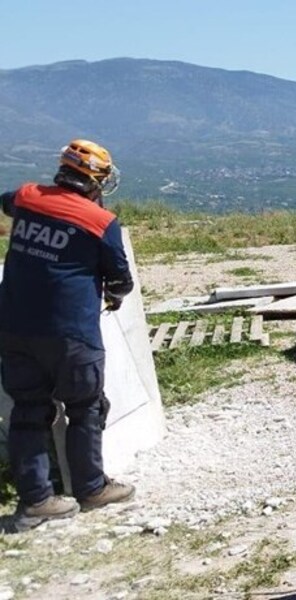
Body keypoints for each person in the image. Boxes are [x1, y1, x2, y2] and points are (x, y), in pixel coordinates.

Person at [1, 139, 136, 530]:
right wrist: (112, 292)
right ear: (96, 180)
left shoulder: (26, 197)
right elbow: (121, 279)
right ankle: (91, 487)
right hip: (71, 330)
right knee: (86, 407)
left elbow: (6, 200)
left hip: (14, 325)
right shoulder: (100, 221)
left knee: (27, 412)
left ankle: (36, 501)